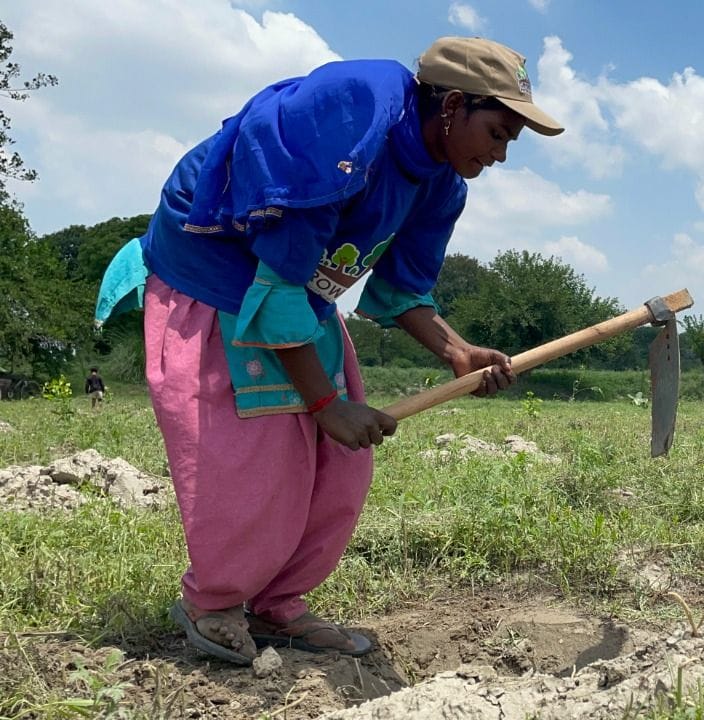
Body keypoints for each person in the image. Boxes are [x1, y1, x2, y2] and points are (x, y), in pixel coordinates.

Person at [94, 37, 563, 664]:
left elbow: (402, 290)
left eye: (510, 142)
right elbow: (279, 263)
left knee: (341, 462)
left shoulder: (442, 184)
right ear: (453, 106)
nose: (500, 154)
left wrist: (457, 351)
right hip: (219, 268)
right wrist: (324, 403)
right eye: (497, 133)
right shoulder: (355, 115)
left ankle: (277, 605)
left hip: (301, 293)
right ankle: (214, 603)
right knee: (256, 453)